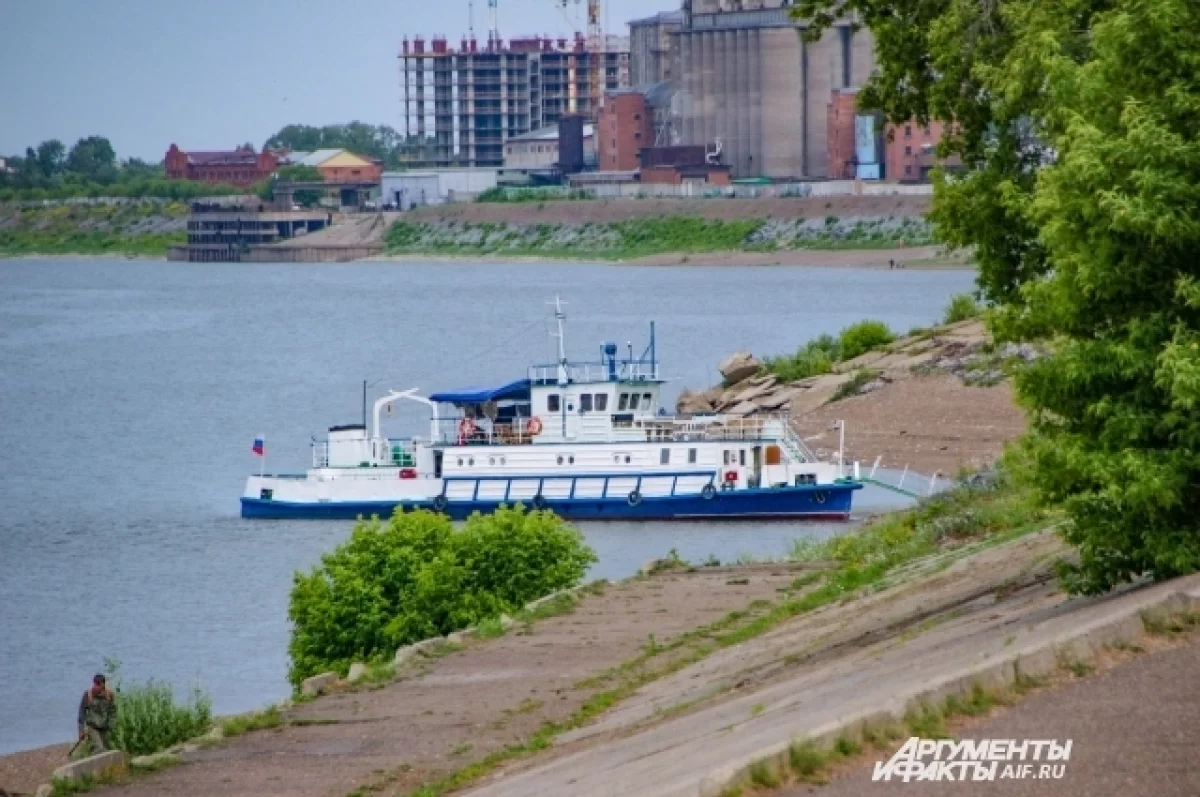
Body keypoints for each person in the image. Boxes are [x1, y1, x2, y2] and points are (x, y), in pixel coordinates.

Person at [78, 673, 117, 752]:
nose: (96, 686)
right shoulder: (88, 694)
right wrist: (81, 730)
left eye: (98, 684)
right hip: (92, 727)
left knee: (106, 749)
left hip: (104, 727)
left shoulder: (109, 695)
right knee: (99, 749)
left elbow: (112, 711)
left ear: (103, 684)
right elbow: (82, 712)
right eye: (95, 684)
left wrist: (111, 725)